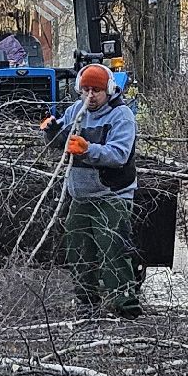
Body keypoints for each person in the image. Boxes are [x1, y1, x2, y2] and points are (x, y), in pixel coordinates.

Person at [40, 62, 142, 317]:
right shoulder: (77, 110)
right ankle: (87, 304)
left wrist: (87, 150)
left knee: (113, 251)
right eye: (85, 90)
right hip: (80, 196)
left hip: (112, 195)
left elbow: (119, 155)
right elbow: (59, 140)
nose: (90, 96)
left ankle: (126, 308)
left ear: (108, 89)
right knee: (78, 251)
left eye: (96, 90)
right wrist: (51, 132)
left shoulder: (121, 116)